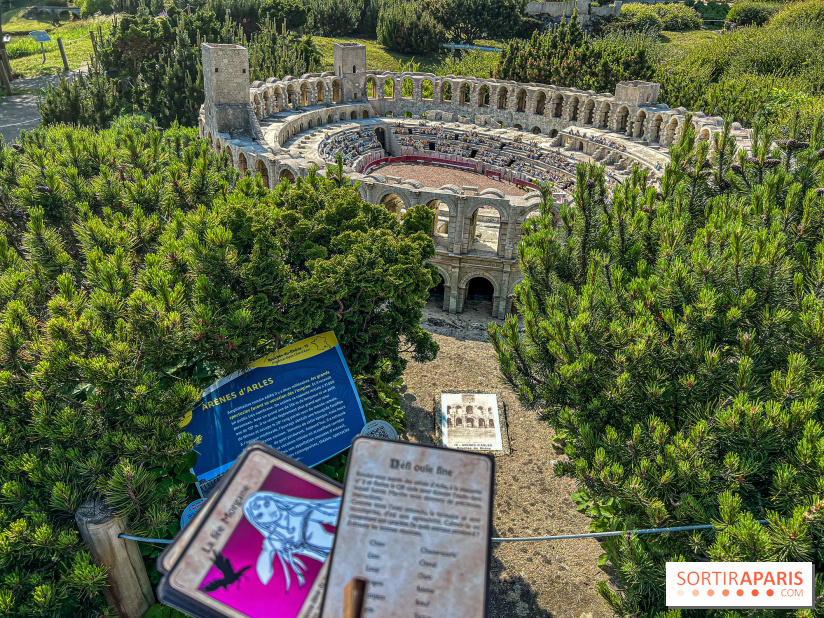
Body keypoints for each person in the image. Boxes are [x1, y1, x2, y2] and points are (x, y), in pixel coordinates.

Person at [243, 491, 341, 591]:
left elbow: (334, 517)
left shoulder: (299, 511)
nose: (268, 512)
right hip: (333, 565)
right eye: (260, 515)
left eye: (267, 504)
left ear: (274, 501)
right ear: (258, 522)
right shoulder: (275, 538)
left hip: (341, 545)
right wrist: (267, 551)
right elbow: (264, 577)